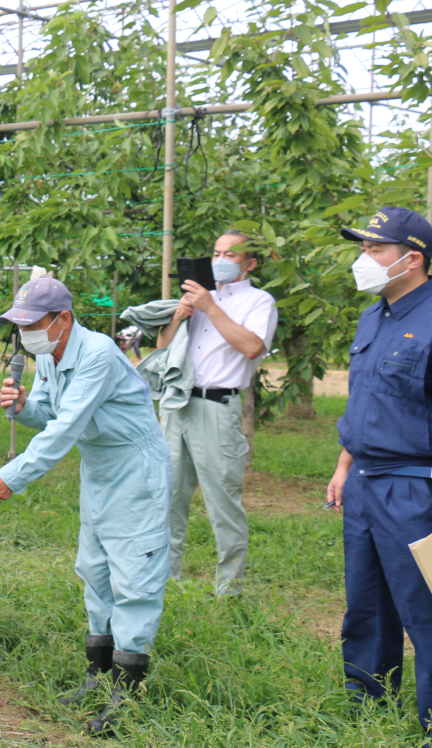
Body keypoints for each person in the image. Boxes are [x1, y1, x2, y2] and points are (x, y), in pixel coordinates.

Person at [0, 277, 171, 735]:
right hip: (99, 470)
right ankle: (97, 677)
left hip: (135, 470)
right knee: (95, 569)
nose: (26, 333)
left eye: (34, 323)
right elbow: (48, 413)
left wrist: (12, 476)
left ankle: (128, 694)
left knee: (133, 574)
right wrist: (23, 407)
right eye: (19, 324)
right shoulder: (50, 354)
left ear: (63, 319)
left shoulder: (99, 353)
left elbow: (65, 429)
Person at [327, 207, 432, 748]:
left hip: (414, 485)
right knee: (366, 600)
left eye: (373, 249)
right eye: (362, 249)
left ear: (412, 258)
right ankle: (368, 697)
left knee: (428, 608)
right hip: (363, 483)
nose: (364, 259)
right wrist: (343, 465)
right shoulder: (372, 317)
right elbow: (364, 400)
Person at [155, 230, 277, 597]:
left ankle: (229, 590)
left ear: (250, 263)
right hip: (177, 404)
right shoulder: (198, 297)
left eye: (231, 254)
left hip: (218, 407)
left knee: (222, 501)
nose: (221, 259)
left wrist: (211, 308)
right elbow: (163, 347)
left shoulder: (259, 302)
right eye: (216, 252)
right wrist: (179, 315)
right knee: (167, 495)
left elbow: (253, 347)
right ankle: (165, 581)